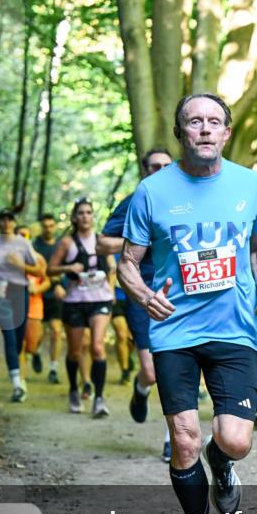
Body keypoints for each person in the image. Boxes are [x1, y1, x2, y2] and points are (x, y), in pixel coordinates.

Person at [119, 93, 257, 514]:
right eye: (195, 122)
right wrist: (145, 296)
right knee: (183, 441)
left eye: (214, 122)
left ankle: (223, 462)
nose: (205, 129)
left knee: (234, 441)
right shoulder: (151, 191)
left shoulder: (250, 185)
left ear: (226, 133)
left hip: (236, 330)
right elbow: (127, 263)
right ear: (181, 133)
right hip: (174, 332)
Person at [98, 147, 174, 460]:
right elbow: (103, 242)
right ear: (144, 170)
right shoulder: (133, 201)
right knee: (151, 371)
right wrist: (143, 239)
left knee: (175, 368)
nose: (160, 171)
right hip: (141, 293)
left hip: (179, 295)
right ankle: (141, 388)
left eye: (166, 166)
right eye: (154, 166)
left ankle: (174, 437)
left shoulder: (188, 200)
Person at [48, 197, 115, 418]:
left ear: (93, 216)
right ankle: (74, 390)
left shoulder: (102, 240)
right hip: (75, 301)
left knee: (97, 347)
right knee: (75, 352)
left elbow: (113, 267)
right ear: (75, 218)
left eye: (88, 212)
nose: (85, 216)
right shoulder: (67, 242)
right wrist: (69, 267)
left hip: (100, 299)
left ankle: (99, 398)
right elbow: (50, 269)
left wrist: (112, 290)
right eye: (81, 213)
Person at [0, 209, 44, 402]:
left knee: (18, 339)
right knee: (9, 335)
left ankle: (19, 373)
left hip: (19, 290)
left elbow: (39, 270)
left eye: (10, 220)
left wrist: (20, 265)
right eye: (2, 219)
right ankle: (17, 384)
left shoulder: (23, 243)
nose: (6, 223)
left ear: (14, 223)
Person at [33, 214, 66, 384]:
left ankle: (53, 368)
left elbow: (65, 269)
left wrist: (61, 284)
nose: (48, 228)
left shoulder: (61, 246)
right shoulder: (34, 246)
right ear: (41, 227)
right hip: (37, 294)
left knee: (55, 330)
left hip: (55, 295)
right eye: (45, 226)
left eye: (51, 225)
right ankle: (35, 352)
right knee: (37, 334)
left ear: (55, 227)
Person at [16, 225, 51, 377]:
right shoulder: (9, 258)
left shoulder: (38, 259)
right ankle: (20, 383)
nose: (23, 239)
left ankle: (35, 352)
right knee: (19, 345)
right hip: (15, 305)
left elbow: (47, 281)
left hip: (34, 304)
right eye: (19, 236)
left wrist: (36, 290)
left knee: (31, 344)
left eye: (26, 235)